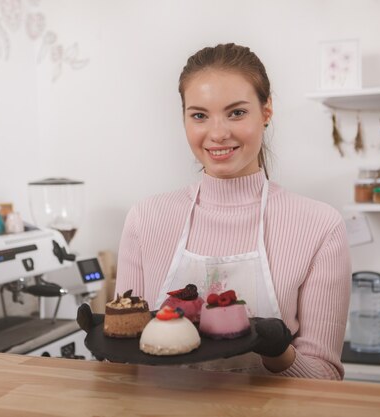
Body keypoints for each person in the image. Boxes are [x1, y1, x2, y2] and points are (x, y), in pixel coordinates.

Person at [111, 43, 351, 379]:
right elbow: (123, 358)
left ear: (266, 112)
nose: (218, 134)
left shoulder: (320, 225)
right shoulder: (145, 218)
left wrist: (277, 351)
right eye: (199, 115)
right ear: (184, 119)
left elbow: (324, 377)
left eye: (236, 112)